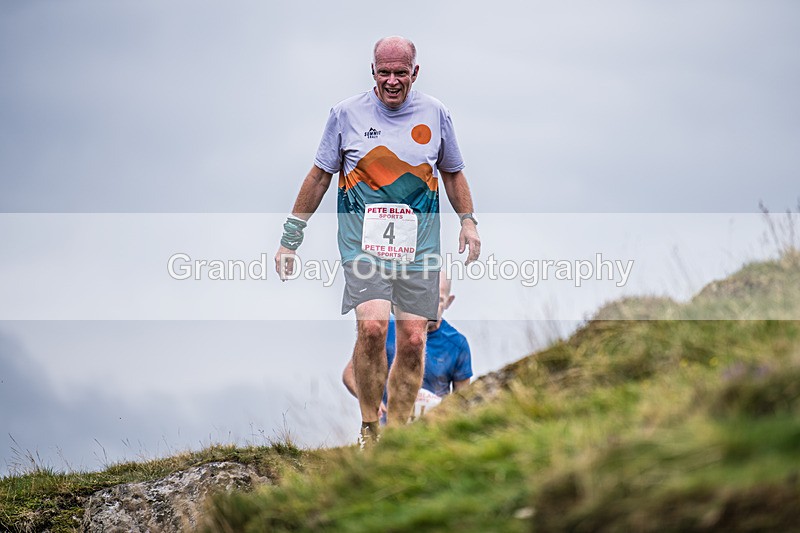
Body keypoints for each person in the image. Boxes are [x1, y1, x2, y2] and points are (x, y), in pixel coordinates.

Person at [274, 36, 480, 448]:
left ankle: (398, 436)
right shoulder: (345, 114)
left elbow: (453, 173)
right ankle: (370, 427)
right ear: (372, 71)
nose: (391, 81)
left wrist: (468, 222)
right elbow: (319, 177)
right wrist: (291, 237)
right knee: (371, 327)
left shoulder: (435, 113)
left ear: (414, 73)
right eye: (383, 72)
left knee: (414, 339)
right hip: (363, 243)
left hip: (418, 246)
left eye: (400, 73)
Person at [342, 273, 472, 423]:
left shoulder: (457, 344)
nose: (429, 306)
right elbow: (349, 374)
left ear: (449, 302)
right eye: (425, 297)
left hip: (433, 430)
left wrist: (441, 411)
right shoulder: (388, 328)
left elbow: (463, 399)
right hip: (387, 430)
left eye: (438, 300)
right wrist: (371, 403)